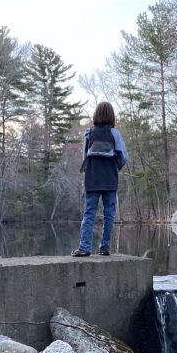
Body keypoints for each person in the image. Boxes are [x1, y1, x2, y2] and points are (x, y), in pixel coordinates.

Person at [71, 101, 129, 257]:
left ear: (96, 115)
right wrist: (115, 166)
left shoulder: (89, 133)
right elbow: (123, 157)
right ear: (111, 116)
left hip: (92, 179)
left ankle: (84, 248)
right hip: (110, 179)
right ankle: (105, 247)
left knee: (89, 213)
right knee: (109, 214)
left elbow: (84, 157)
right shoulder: (115, 133)